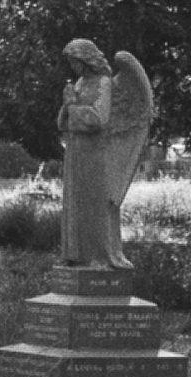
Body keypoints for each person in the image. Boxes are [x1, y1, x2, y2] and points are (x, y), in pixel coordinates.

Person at [57, 38, 154, 268]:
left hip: (96, 155)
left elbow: (99, 119)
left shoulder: (104, 83)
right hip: (76, 153)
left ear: (85, 59)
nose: (73, 67)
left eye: (75, 61)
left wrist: (71, 107)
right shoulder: (79, 83)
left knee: (96, 205)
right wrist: (66, 105)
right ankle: (78, 256)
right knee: (77, 204)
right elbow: (62, 123)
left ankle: (100, 257)